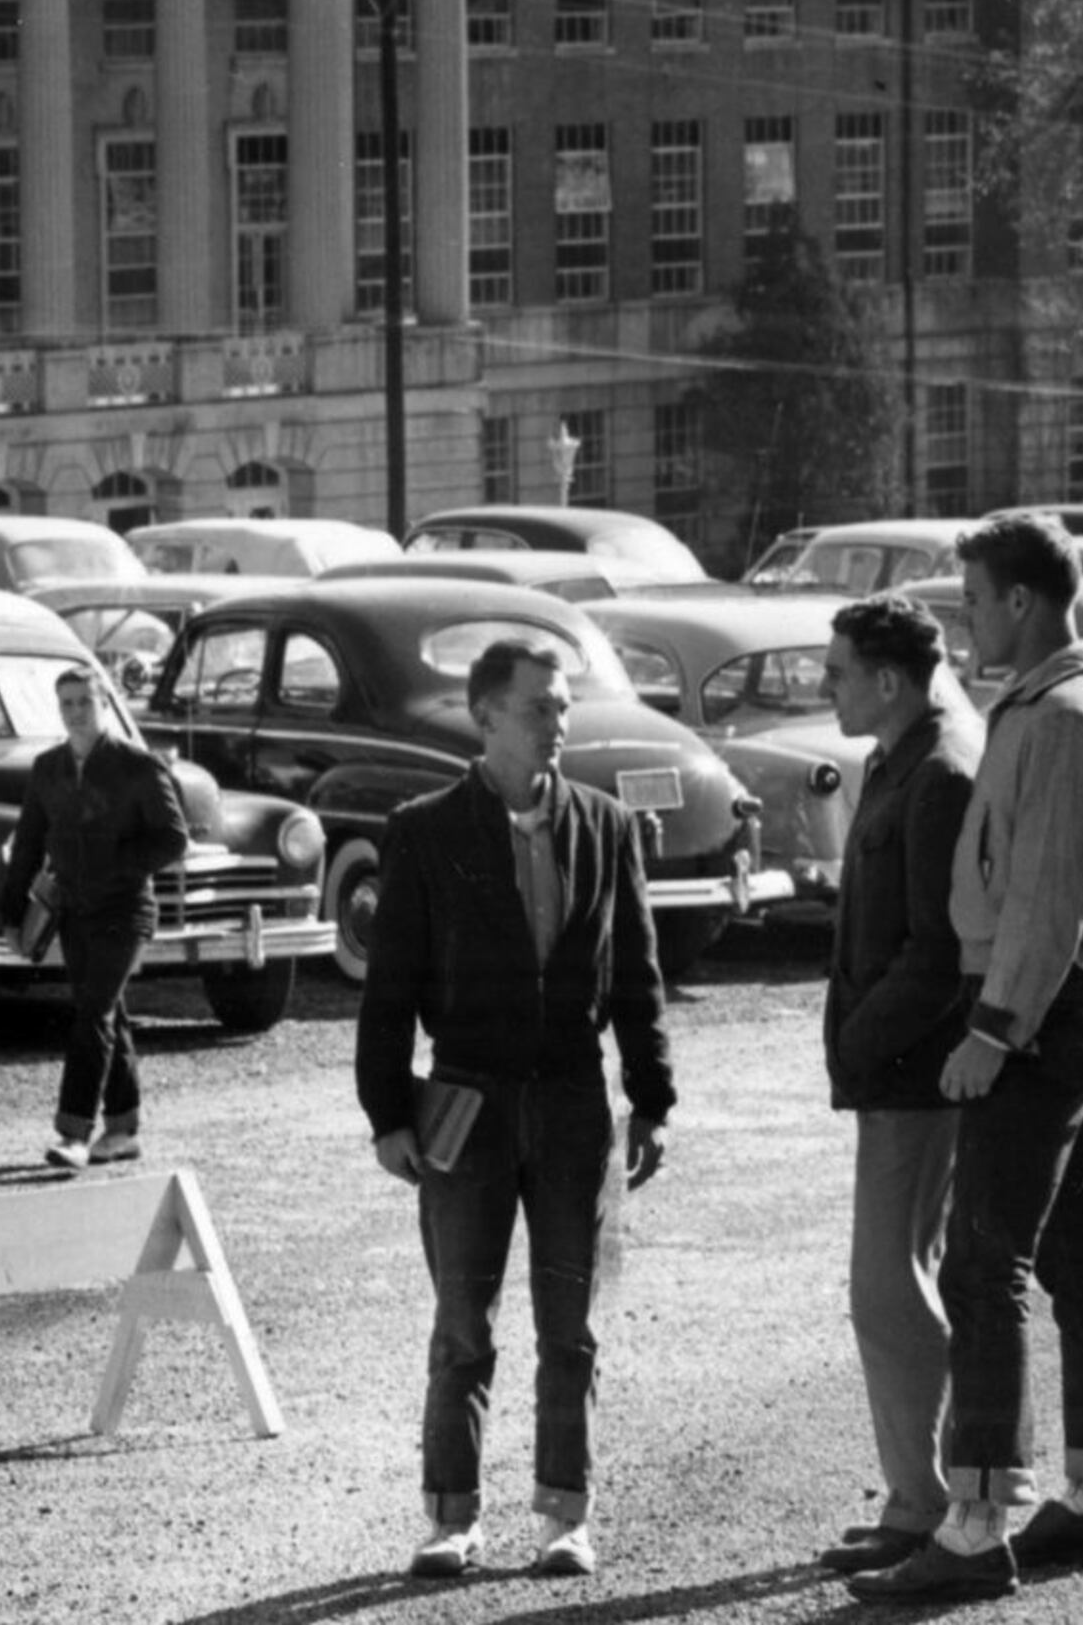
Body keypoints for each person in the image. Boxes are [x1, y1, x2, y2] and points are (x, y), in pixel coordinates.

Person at [854, 511, 1083, 1604]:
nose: (967, 617)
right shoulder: (1055, 704)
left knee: (986, 1261)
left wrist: (994, 1028)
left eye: (975, 598)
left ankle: (977, 1520)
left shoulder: (1064, 716)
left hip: (1034, 1005)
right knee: (1080, 1247)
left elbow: (1045, 893)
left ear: (1023, 601)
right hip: (1063, 999)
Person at [356, 637, 673, 1583]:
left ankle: (563, 1517)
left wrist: (651, 1098)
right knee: (463, 1320)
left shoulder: (607, 826)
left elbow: (639, 981)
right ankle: (450, 1517)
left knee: (570, 1324)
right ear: (485, 715)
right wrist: (388, 1113)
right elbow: (391, 989)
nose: (560, 723)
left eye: (564, 705)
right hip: (464, 1098)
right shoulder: (422, 828)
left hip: (577, 1104)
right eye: (540, 706)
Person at [814, 591, 985, 1581]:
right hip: (895, 1073)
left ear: (886, 678)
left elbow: (936, 953)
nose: (826, 684)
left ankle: (943, 1497)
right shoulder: (901, 756)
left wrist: (858, 1043)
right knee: (891, 1285)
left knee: (890, 1287)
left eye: (837, 670)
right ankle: (923, 1495)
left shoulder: (939, 770)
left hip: (915, 1075)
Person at [0, 664, 188, 1171]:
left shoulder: (138, 766)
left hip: (126, 911)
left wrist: (115, 865)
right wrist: (12, 915)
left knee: (92, 1015)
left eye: (85, 701)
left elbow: (173, 837)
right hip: (73, 912)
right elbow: (28, 844)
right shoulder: (47, 769)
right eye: (67, 703)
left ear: (105, 703)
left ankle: (73, 1132)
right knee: (106, 1014)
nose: (77, 712)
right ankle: (122, 1129)